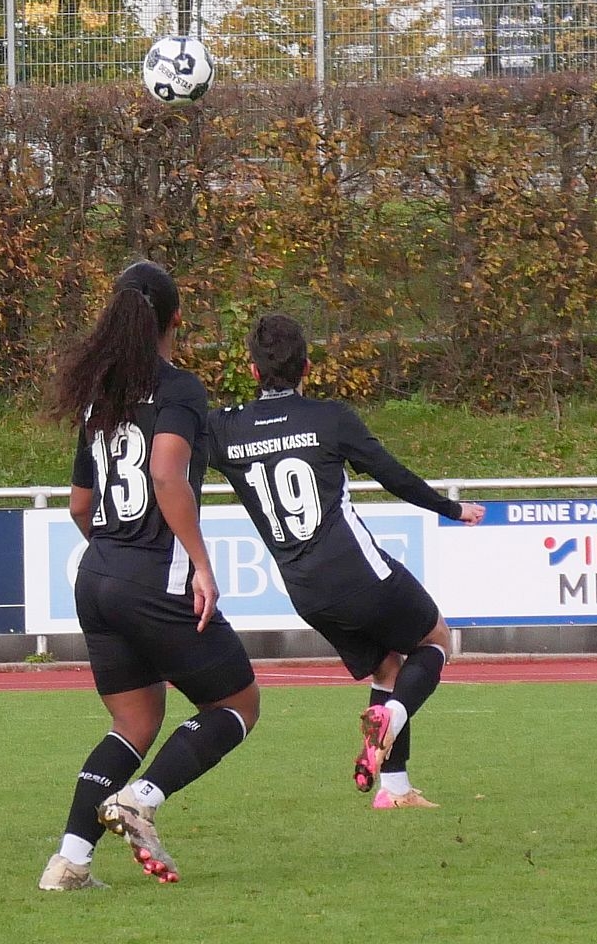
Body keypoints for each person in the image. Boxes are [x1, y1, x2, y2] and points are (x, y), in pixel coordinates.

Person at [37, 261, 260, 892]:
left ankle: (70, 864)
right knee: (237, 703)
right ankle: (143, 800)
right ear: (176, 319)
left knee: (133, 724)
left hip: (96, 572)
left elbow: (80, 505)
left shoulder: (99, 395)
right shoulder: (180, 389)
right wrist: (201, 563)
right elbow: (166, 474)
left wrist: (113, 558)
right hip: (152, 577)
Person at [206, 313, 484, 809]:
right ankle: (392, 718)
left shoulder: (222, 429)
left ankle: (394, 790)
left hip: (304, 591)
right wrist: (451, 507)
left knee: (387, 670)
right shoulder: (329, 418)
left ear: (252, 371)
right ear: (306, 367)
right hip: (356, 570)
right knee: (436, 639)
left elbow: (169, 462)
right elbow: (390, 474)